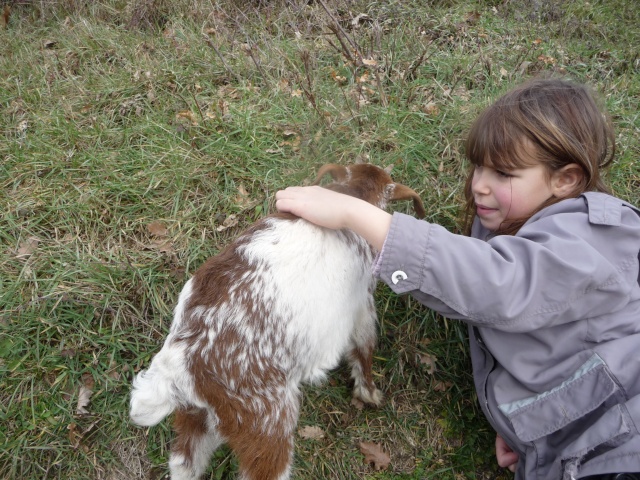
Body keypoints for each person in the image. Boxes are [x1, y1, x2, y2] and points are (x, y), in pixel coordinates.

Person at [275, 77, 640, 479]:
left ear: (565, 179)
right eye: (478, 166)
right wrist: (535, 429)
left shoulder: (594, 233)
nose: (478, 184)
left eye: (503, 173)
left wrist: (358, 216)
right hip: (580, 438)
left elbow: (500, 284)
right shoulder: (510, 227)